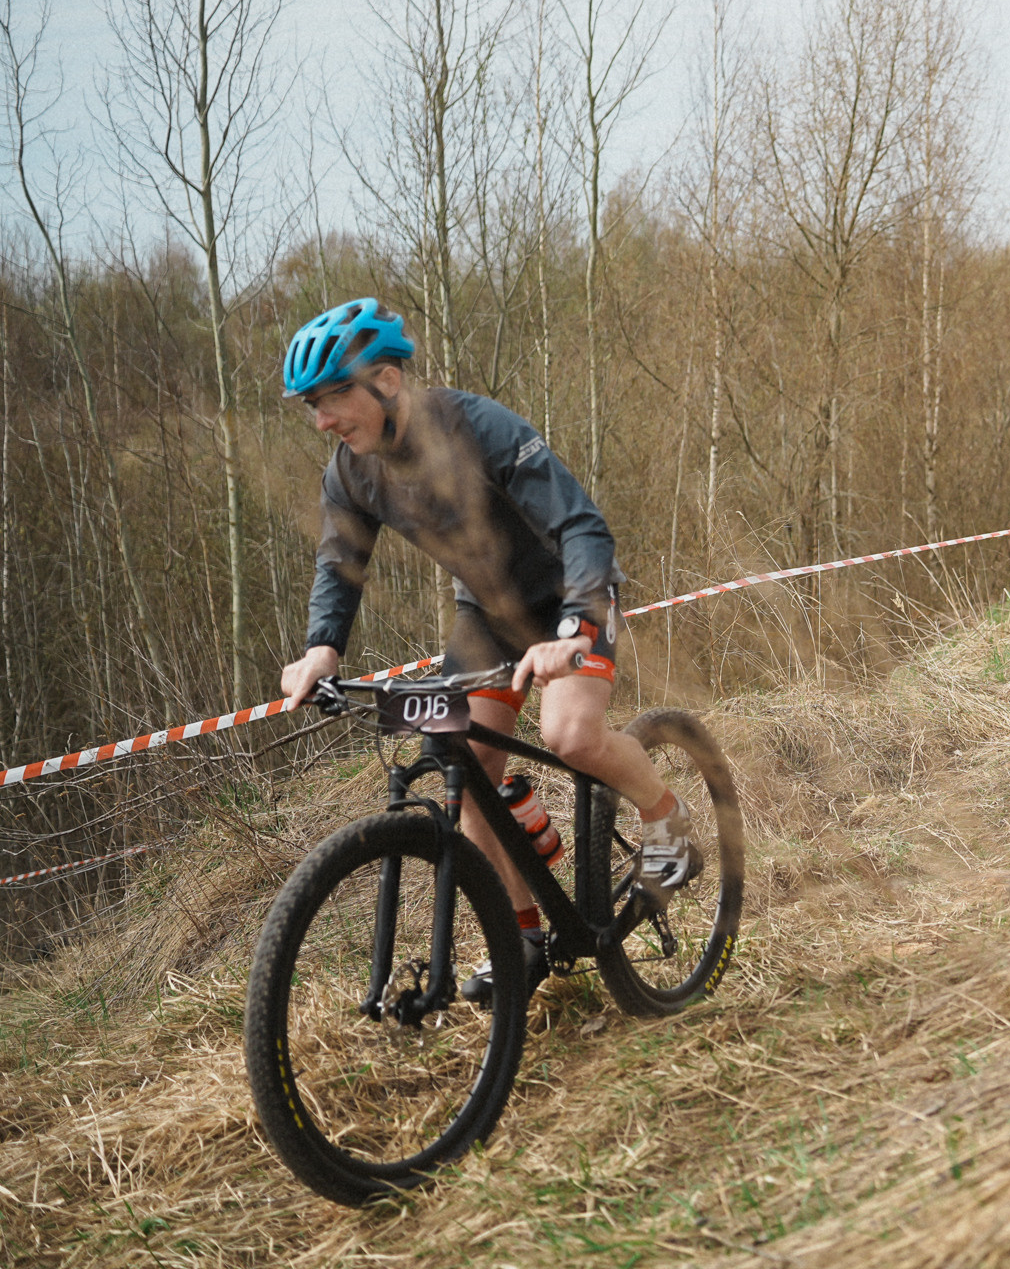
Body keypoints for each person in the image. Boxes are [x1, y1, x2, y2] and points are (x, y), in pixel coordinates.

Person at [274, 297, 696, 997]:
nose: (322, 420)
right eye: (311, 406)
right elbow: (338, 566)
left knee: (569, 733)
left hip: (568, 597)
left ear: (386, 380)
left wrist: (573, 631)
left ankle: (668, 824)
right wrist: (323, 649)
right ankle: (521, 937)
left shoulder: (477, 426)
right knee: (461, 765)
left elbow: (583, 527)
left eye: (333, 397)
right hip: (485, 618)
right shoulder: (351, 472)